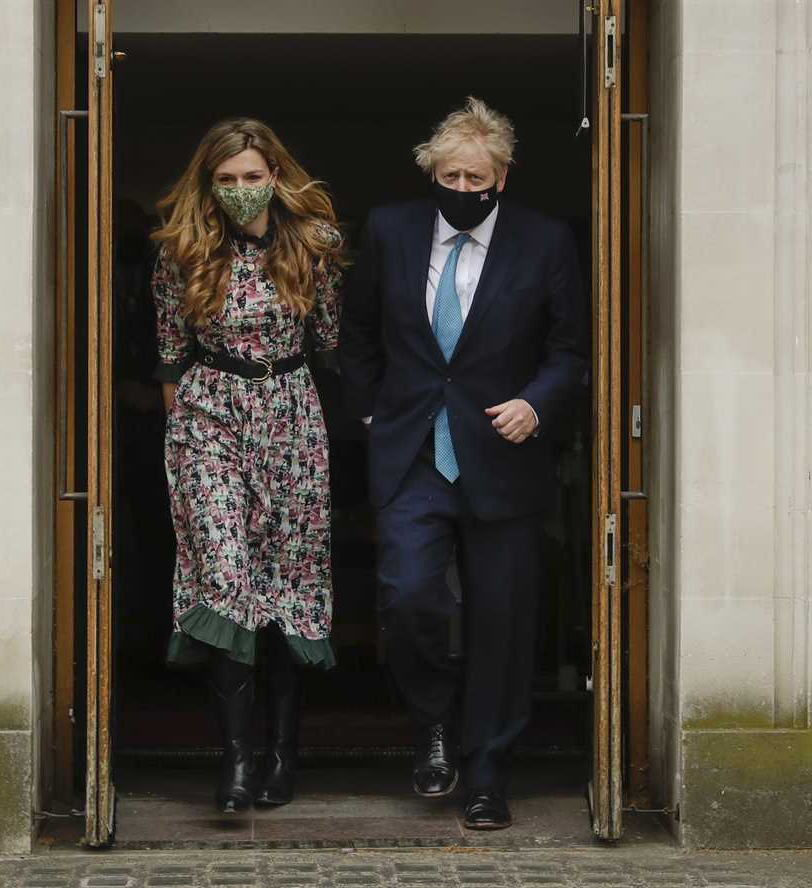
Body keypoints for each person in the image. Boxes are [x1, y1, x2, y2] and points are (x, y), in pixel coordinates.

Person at [339, 97, 587, 830]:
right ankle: (434, 723)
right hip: (413, 452)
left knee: (501, 623)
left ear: (501, 177)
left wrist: (536, 405)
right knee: (410, 595)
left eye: (477, 177)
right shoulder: (390, 229)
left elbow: (570, 348)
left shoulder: (544, 242)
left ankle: (486, 771)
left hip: (503, 457)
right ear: (432, 174)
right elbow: (356, 332)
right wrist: (373, 410)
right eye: (451, 175)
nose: (464, 189)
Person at [151, 118, 344, 814]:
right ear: (209, 184)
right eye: (226, 180)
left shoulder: (315, 247)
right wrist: (186, 439)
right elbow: (170, 354)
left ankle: (281, 758)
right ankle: (235, 763)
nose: (239, 191)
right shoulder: (183, 251)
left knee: (288, 582)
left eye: (251, 178)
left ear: (275, 177)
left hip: (292, 411)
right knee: (227, 575)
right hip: (209, 412)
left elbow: (330, 342)